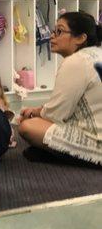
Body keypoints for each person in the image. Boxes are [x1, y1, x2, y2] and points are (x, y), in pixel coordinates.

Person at [19, 12, 102, 165]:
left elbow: (55, 115)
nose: (52, 36)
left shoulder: (77, 61)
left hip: (97, 143)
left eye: (59, 31)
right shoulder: (97, 54)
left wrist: (34, 113)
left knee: (28, 126)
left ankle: (74, 157)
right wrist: (38, 110)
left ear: (80, 38)